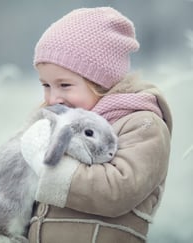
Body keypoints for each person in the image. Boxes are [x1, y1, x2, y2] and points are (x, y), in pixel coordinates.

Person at [21, 6, 172, 243]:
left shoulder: (142, 124)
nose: (52, 99)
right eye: (46, 85)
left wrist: (45, 166)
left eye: (64, 85)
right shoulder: (55, 122)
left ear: (100, 81)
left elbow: (118, 190)